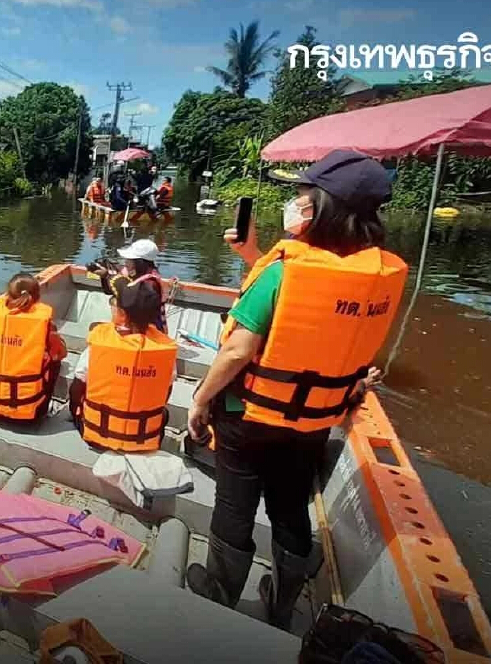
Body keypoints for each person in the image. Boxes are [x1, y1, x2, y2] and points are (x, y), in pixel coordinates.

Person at [184, 150, 408, 630]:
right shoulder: (378, 277)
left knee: (234, 503)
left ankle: (220, 591)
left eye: (303, 197)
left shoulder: (286, 270)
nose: (296, 204)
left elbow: (238, 351)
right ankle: (283, 603)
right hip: (313, 421)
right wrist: (252, 256)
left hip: (248, 418)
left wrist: (201, 398)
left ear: (322, 208)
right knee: (289, 506)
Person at [68, 277, 177, 452]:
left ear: (122, 314)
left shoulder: (100, 344)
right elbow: (166, 393)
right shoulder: (165, 350)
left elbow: (77, 388)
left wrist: (75, 410)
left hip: (98, 435)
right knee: (164, 413)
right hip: (143, 438)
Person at [0, 273, 68, 422]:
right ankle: (43, 408)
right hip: (28, 413)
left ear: (7, 294)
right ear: (37, 297)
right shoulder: (44, 325)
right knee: (56, 362)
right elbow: (61, 353)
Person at [90, 239, 168, 333]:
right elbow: (112, 290)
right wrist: (105, 276)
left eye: (128, 260)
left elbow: (129, 300)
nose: (125, 263)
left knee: (95, 330)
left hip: (145, 331)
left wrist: (108, 276)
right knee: (94, 327)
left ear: (138, 262)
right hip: (133, 326)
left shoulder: (150, 283)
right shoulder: (136, 273)